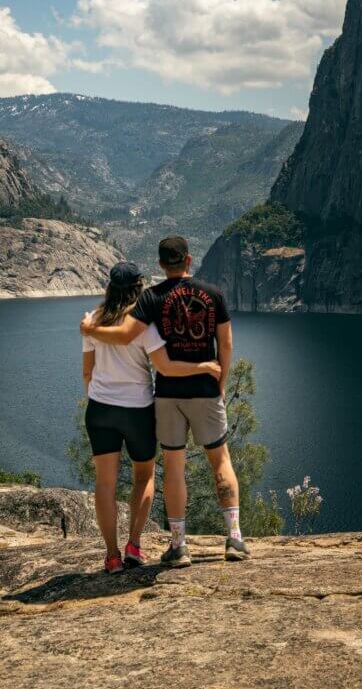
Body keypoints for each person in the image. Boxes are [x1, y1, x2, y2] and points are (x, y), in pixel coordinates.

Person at [80, 236, 249, 567]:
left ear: (161, 265)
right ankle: (234, 539)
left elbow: (102, 360)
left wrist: (88, 329)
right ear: (189, 259)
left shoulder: (149, 301)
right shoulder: (214, 295)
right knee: (220, 461)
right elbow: (225, 345)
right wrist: (220, 379)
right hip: (197, 393)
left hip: (160, 397)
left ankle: (175, 546)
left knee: (171, 468)